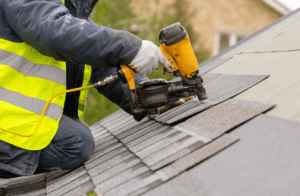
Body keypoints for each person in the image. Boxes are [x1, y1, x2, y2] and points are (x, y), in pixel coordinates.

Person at [0, 0, 171, 178]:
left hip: (13, 118)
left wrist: (150, 95)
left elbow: (98, 61)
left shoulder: (68, 12)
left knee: (77, 137)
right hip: (5, 124)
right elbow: (54, 32)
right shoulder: (49, 17)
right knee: (75, 143)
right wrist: (129, 47)